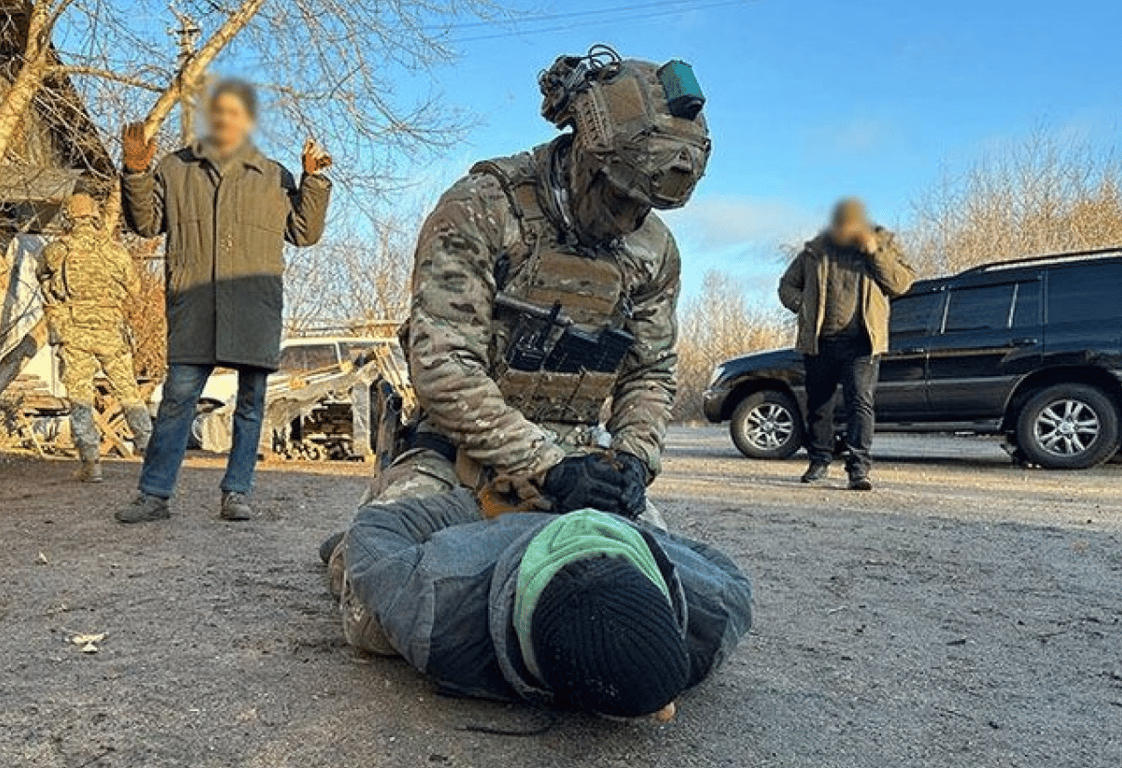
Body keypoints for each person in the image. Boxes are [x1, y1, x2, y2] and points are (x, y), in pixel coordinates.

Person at [346, 46, 711, 523]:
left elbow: (650, 371)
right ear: (585, 151)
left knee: (655, 572)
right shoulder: (481, 210)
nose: (627, 220)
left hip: (582, 464)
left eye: (644, 207)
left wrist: (635, 460)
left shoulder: (653, 250)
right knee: (386, 557)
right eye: (617, 196)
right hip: (458, 455)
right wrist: (549, 468)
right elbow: (445, 366)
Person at [329, 490, 752, 719]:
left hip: (597, 503)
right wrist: (476, 503)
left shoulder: (715, 611)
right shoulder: (439, 608)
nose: (668, 714)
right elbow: (374, 527)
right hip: (489, 508)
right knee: (366, 616)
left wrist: (622, 516)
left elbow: (722, 569)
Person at [117, 79, 332, 523]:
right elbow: (145, 224)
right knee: (177, 401)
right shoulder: (175, 170)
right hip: (195, 306)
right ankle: (154, 495)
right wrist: (136, 174)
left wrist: (314, 180)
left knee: (251, 404)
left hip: (254, 307)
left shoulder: (273, 175)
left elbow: (305, 233)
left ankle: (237, 491)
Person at [779, 198, 914, 491]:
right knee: (819, 404)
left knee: (860, 404)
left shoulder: (883, 244)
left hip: (862, 342)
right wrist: (802, 304)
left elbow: (902, 284)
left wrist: (875, 253)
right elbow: (786, 286)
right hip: (821, 341)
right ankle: (819, 460)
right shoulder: (814, 251)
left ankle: (859, 469)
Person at [36, 192, 153, 483]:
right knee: (128, 392)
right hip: (111, 330)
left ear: (68, 217)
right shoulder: (115, 251)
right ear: (96, 216)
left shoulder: (55, 250)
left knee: (80, 396)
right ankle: (151, 454)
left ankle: (91, 463)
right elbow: (135, 289)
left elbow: (42, 276)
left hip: (73, 331)